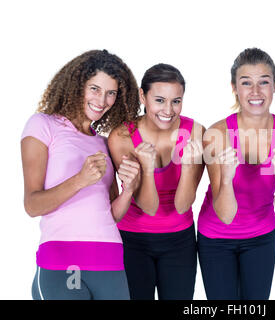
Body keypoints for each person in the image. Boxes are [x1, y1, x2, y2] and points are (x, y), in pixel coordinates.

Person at [21, 49, 141, 300]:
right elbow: (32, 205)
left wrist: (129, 189)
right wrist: (79, 180)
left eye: (111, 93)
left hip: (109, 259)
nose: (102, 100)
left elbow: (111, 214)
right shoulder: (43, 125)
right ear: (77, 85)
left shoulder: (103, 143)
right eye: (95, 88)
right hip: (63, 261)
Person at [197, 48, 275, 300]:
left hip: (261, 238)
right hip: (216, 237)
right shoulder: (217, 134)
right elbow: (225, 215)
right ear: (234, 87)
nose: (255, 92)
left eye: (263, 82)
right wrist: (226, 178)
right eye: (246, 83)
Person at [108, 63, 205, 300]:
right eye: (159, 100)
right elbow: (149, 207)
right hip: (133, 240)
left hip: (180, 240)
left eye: (176, 101)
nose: (168, 110)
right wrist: (148, 170)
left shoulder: (196, 132)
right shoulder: (122, 136)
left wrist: (190, 165)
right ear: (143, 96)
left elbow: (183, 205)